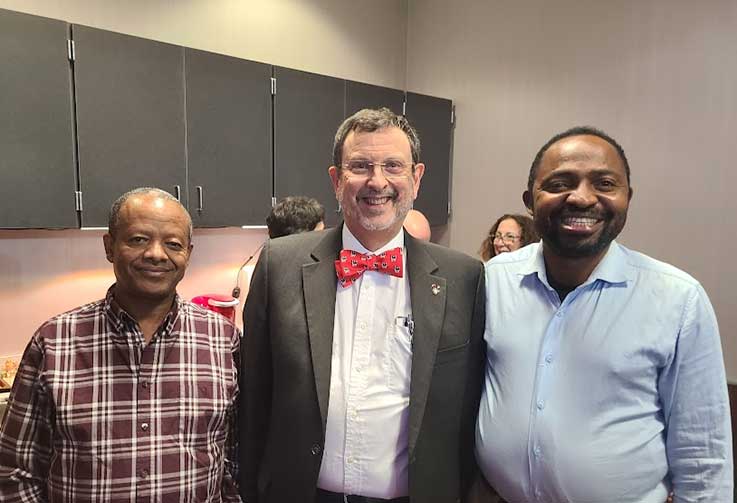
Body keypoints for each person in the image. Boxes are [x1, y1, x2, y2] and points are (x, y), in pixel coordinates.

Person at [240, 108, 485, 503]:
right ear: (337, 180)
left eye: (393, 166)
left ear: (416, 178)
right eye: (360, 166)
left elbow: (470, 407)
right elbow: (255, 395)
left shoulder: (464, 278)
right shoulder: (278, 264)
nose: (377, 181)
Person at [475, 127, 733, 502]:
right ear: (530, 201)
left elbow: (703, 457)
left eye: (605, 183)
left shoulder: (678, 300)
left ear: (628, 197)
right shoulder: (490, 282)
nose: (581, 198)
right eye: (560, 183)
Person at [0, 188, 241, 502]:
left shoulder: (223, 341)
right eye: (138, 239)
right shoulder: (54, 343)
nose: (156, 253)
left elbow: (234, 460)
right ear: (109, 246)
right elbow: (15, 471)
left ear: (188, 254)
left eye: (173, 244)